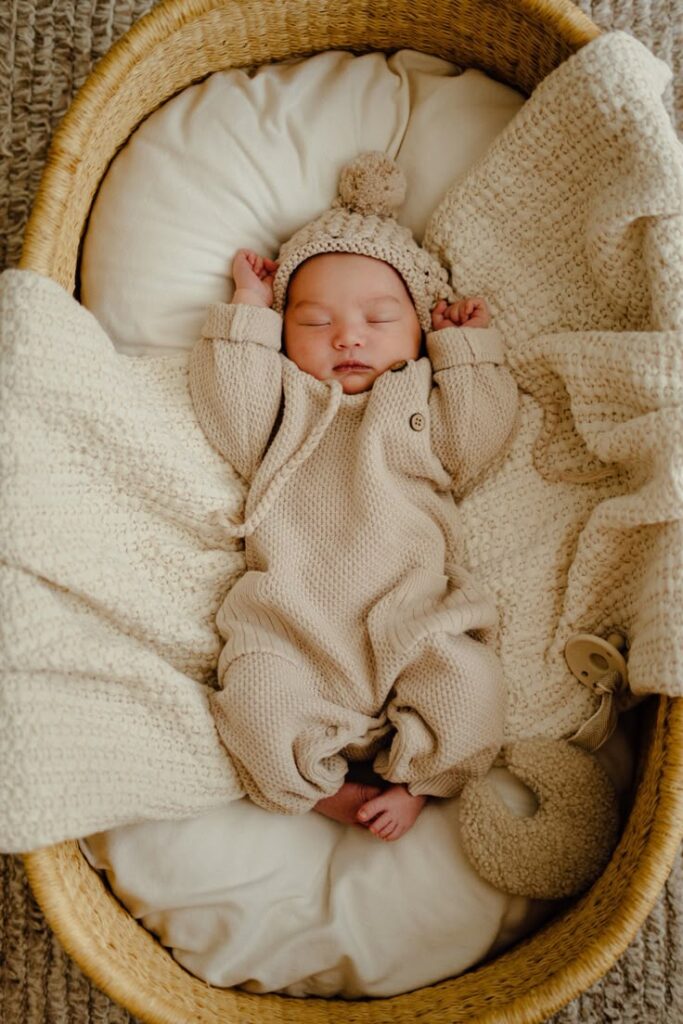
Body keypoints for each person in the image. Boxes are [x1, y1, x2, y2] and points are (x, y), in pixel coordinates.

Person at [189, 152, 518, 842]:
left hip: (413, 616)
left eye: (377, 317)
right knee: (252, 700)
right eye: (312, 322)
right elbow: (228, 404)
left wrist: (463, 352)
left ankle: (416, 783)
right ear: (285, 335)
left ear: (419, 330)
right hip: (290, 622)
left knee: (471, 687)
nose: (347, 335)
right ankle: (323, 791)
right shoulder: (285, 406)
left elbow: (477, 438)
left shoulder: (416, 405)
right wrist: (247, 310)